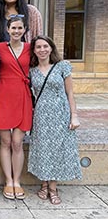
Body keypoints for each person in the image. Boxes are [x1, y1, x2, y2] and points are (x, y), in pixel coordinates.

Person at [28, 35, 82, 205]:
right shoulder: (32, 70)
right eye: (38, 47)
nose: (42, 50)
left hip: (61, 113)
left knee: (58, 149)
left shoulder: (62, 67)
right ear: (34, 50)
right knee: (43, 148)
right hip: (42, 114)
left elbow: (70, 93)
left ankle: (53, 187)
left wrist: (74, 115)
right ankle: (43, 184)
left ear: (51, 48)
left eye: (45, 46)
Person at [0, 16, 32, 200]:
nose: (16, 31)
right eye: (13, 28)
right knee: (6, 141)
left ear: (25, 30)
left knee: (18, 142)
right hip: (3, 94)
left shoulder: (30, 48)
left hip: (23, 95)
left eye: (20, 28)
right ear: (7, 29)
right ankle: (8, 181)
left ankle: (17, 180)